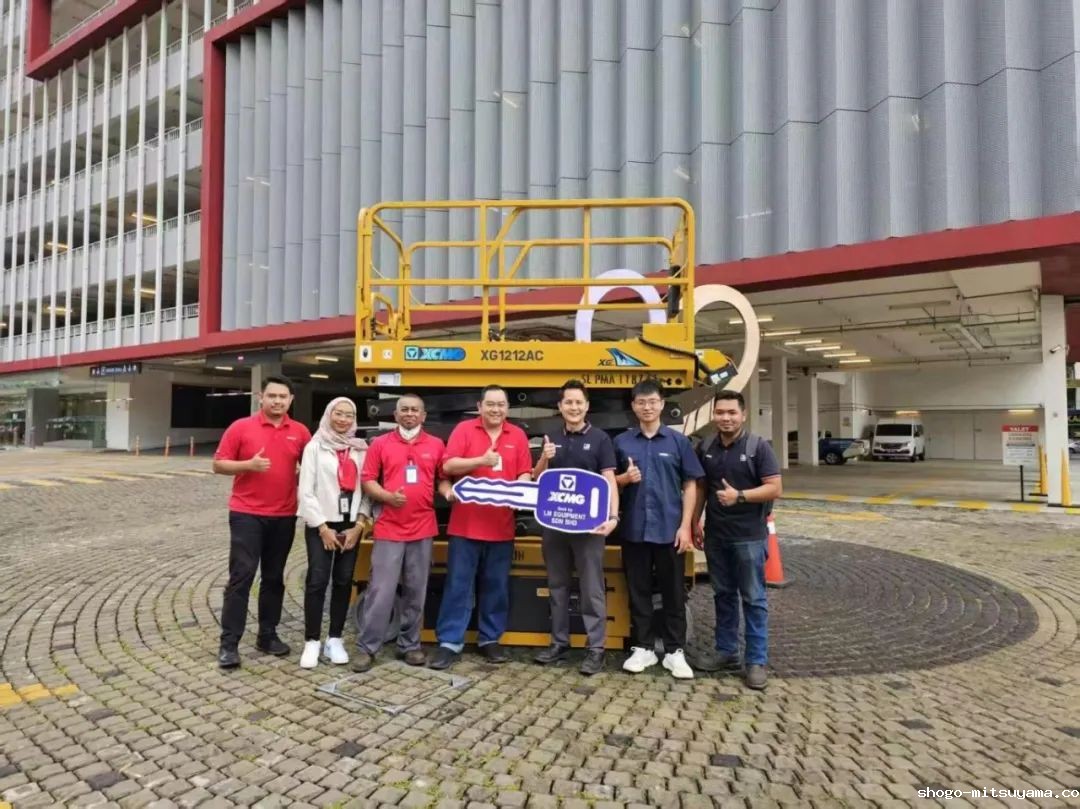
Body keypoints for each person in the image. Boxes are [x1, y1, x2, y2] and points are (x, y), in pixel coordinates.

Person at [428, 384, 532, 670]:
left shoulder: (518, 435)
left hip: (502, 526)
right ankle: (449, 642)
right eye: (490, 404)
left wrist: (521, 488)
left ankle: (490, 639)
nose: (496, 409)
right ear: (479, 407)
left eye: (501, 405)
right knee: (458, 586)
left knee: (496, 586)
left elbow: (524, 471)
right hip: (465, 526)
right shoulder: (464, 430)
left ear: (507, 408)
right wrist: (481, 461)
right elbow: (448, 467)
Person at [212, 375, 311, 669]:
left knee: (273, 578)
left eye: (283, 397)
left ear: (291, 400)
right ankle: (229, 644)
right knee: (241, 576)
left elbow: (313, 467)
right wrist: (248, 465)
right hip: (247, 514)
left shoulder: (301, 432)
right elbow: (218, 464)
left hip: (284, 515)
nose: (277, 401)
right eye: (272, 396)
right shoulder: (241, 427)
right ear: (261, 397)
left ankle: (267, 635)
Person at [613, 378, 704, 679]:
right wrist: (624, 479)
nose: (647, 407)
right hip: (634, 529)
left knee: (673, 592)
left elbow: (690, 485)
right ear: (633, 406)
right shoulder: (622, 442)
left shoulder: (678, 442)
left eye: (652, 401)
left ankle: (675, 651)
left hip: (669, 530)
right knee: (637, 590)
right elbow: (608, 484)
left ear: (662, 404)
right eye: (641, 402)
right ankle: (643, 648)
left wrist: (686, 527)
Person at [693, 389, 782, 690]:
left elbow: (775, 488)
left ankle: (755, 661)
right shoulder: (706, 446)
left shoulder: (759, 447)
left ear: (743, 415)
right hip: (717, 535)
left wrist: (739, 496)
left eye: (732, 412)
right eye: (720, 412)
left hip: (749, 537)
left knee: (754, 598)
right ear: (714, 415)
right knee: (723, 595)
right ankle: (726, 651)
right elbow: (702, 488)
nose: (726, 418)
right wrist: (695, 521)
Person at [530, 380, 619, 675]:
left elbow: (609, 480)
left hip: (590, 528)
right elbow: (537, 479)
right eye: (568, 402)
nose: (574, 407)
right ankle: (559, 643)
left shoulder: (601, 439)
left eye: (578, 402)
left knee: (591, 588)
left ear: (587, 406)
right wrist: (544, 458)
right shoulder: (552, 438)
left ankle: (596, 649)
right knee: (557, 586)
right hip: (555, 526)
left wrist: (613, 517)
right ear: (560, 406)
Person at [355, 394, 449, 671]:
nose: (409, 414)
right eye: (404, 410)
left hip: (423, 527)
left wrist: (448, 491)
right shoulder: (380, 444)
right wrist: (386, 496)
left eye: (415, 410)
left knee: (416, 590)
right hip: (389, 527)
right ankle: (367, 647)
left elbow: (443, 477)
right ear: (395, 415)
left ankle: (410, 645)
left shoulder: (436, 444)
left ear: (423, 415)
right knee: (380, 591)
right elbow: (367, 479)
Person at [296, 397, 373, 670]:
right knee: (317, 580)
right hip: (321, 523)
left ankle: (335, 639)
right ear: (329, 415)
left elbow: (367, 491)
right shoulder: (315, 446)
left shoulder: (360, 449)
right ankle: (312, 641)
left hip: (351, 525)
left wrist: (359, 526)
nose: (343, 419)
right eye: (338, 414)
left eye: (349, 415)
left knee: (343, 580)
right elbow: (306, 492)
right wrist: (322, 528)